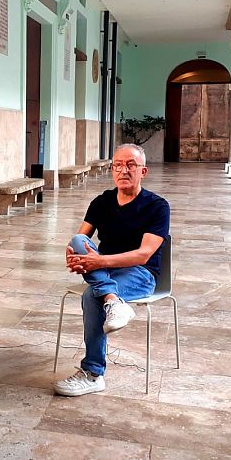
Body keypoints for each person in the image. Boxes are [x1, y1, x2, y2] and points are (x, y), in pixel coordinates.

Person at [54, 143, 170, 397]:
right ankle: (112, 300)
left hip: (141, 274)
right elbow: (80, 239)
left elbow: (144, 254)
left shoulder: (157, 207)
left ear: (143, 171)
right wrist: (73, 256)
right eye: (118, 165)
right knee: (77, 242)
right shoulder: (101, 202)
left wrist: (98, 263)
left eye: (131, 165)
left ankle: (93, 373)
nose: (123, 170)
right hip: (106, 272)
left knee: (89, 295)